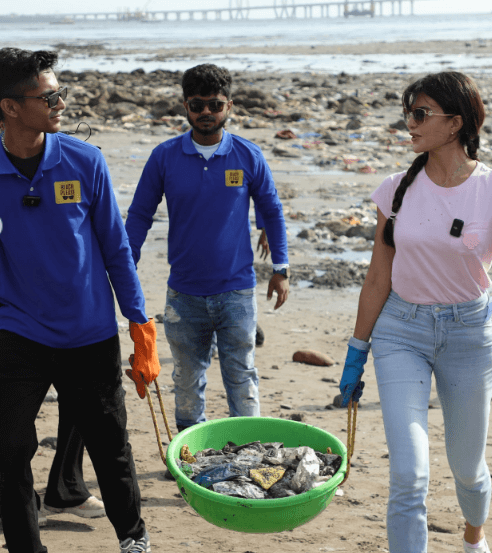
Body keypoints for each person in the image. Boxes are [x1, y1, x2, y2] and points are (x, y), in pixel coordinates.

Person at [0, 47, 160, 553]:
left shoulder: (83, 160)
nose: (61, 102)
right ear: (9, 107)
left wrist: (139, 325)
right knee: (7, 451)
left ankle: (134, 539)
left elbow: (115, 247)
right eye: (49, 95)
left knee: (110, 448)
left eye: (60, 92)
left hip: (89, 334)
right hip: (17, 333)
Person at [338, 71, 492, 553]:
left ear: (455, 124)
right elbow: (378, 279)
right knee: (409, 473)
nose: (409, 123)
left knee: (467, 467)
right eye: (409, 113)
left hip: (470, 335)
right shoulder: (393, 189)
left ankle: (474, 535)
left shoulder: (488, 190)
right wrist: (356, 350)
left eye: (420, 114)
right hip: (400, 332)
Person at [125, 63, 289, 432]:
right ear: (185, 106)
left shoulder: (248, 156)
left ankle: (250, 446)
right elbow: (138, 215)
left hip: (237, 292)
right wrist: (125, 264)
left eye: (214, 105)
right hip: (184, 294)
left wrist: (282, 269)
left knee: (241, 373)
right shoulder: (164, 157)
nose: (206, 113)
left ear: (229, 106)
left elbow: (272, 211)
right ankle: (187, 450)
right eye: (197, 105)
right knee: (185, 378)